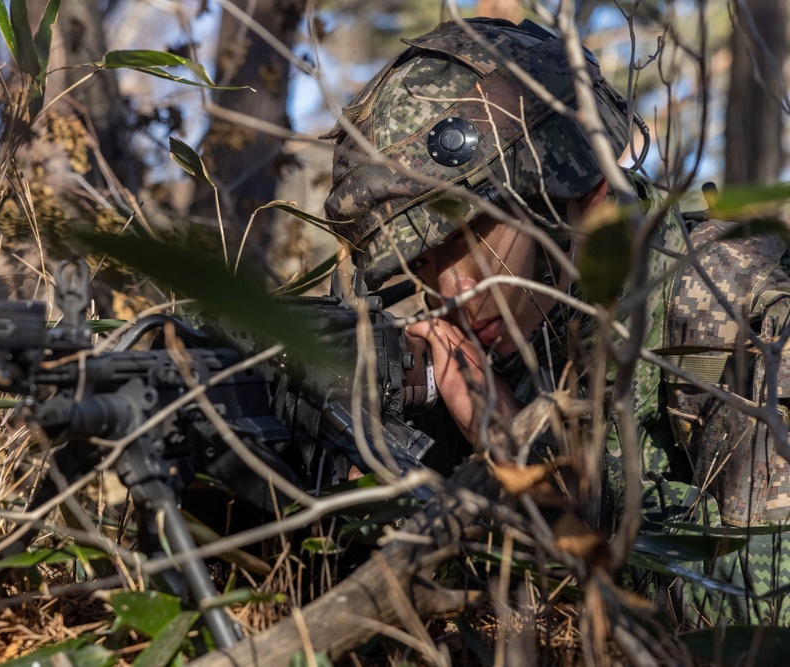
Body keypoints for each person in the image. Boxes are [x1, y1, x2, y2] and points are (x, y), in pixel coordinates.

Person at [322, 16, 790, 627]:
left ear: (582, 190)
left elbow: (760, 610)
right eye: (419, 263)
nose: (448, 292)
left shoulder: (742, 303)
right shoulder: (527, 323)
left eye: (468, 239)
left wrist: (520, 452)